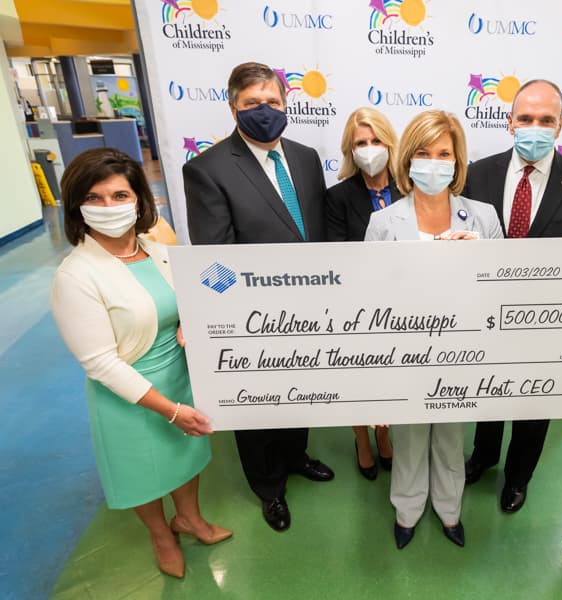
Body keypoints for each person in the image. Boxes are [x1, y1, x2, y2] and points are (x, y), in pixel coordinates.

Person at [50, 148, 231, 579]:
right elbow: (100, 364)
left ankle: (189, 518)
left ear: (139, 200)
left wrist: (197, 318)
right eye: (94, 198)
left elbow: (220, 285)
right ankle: (161, 536)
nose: (109, 207)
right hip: (130, 394)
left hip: (179, 378)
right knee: (142, 473)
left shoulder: (160, 251)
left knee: (187, 457)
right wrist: (170, 410)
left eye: (119, 195)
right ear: (76, 206)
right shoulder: (76, 276)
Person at [183, 62, 334, 533]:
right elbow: (214, 260)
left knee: (298, 394)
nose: (263, 112)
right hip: (253, 317)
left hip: (312, 309)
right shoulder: (207, 170)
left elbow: (319, 233)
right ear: (233, 108)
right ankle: (269, 488)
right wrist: (247, 311)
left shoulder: (307, 158)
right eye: (251, 104)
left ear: (286, 104)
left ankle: (296, 456)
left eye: (272, 102)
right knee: (257, 404)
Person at [462, 78, 562, 513]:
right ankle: (483, 456)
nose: (534, 127)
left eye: (545, 120)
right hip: (485, 314)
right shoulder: (477, 174)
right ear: (509, 122)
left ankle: (518, 476)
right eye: (526, 118)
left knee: (534, 401)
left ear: (560, 126)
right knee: (487, 390)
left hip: (547, 322)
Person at [365, 110, 503, 549]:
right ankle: (406, 510)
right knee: (407, 439)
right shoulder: (384, 223)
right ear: (407, 160)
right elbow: (368, 302)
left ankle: (450, 511)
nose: (433, 162)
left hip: (463, 353)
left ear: (457, 160)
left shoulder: (482, 217)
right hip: (404, 354)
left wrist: (482, 256)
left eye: (443, 153)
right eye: (423, 153)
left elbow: (504, 288)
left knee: (449, 436)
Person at [326, 107, 401, 480]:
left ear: (390, 144)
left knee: (388, 377)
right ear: (349, 150)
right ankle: (360, 438)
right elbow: (337, 259)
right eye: (360, 143)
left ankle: (385, 437)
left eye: (375, 141)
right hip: (355, 307)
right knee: (357, 379)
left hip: (403, 305)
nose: (369, 149)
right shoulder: (338, 197)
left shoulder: (412, 189)